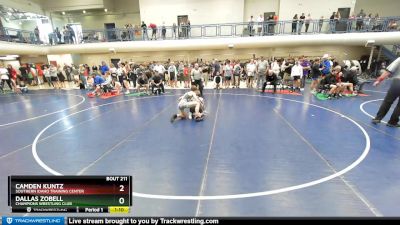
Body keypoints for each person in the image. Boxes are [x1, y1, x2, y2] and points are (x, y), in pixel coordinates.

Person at [371, 57, 400, 127]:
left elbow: (388, 71)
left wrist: (379, 80)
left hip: (397, 81)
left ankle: (377, 118)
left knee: (387, 101)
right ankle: (392, 122)